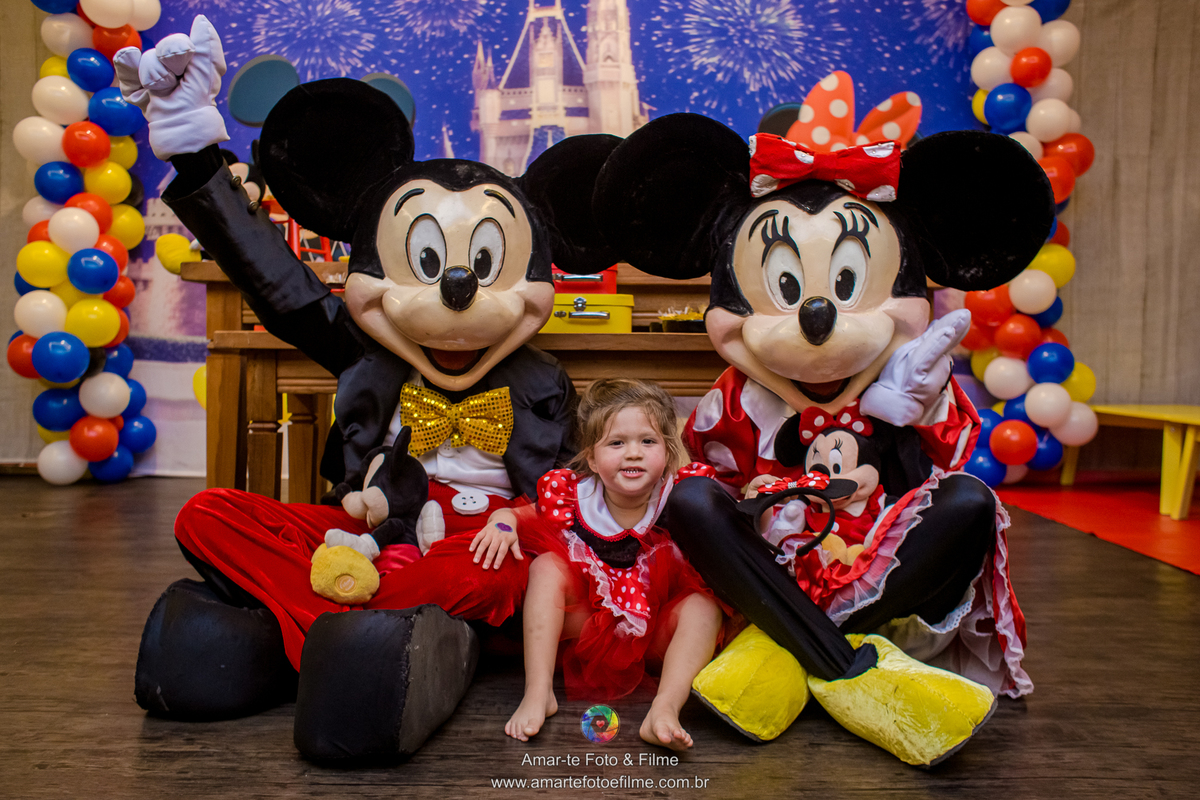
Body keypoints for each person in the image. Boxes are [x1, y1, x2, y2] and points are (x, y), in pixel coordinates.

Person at [471, 379, 724, 750]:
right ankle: (538, 692)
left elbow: (730, 526)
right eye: (616, 443)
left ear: (668, 451)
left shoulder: (682, 497)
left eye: (647, 441)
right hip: (590, 632)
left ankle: (665, 708)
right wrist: (502, 523)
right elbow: (517, 515)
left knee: (704, 606)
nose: (633, 454)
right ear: (591, 457)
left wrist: (752, 497)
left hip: (655, 636)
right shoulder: (573, 495)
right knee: (546, 566)